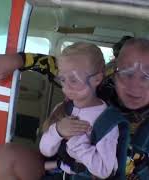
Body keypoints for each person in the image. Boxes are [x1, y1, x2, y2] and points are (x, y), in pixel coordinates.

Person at [0, 38, 149, 180]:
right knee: (5, 158)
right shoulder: (98, 85)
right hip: (67, 172)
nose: (135, 86)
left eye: (147, 76)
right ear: (111, 73)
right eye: (127, 73)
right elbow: (63, 68)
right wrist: (20, 60)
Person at [39, 42, 125, 179]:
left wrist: (75, 139)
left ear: (96, 79)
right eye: (62, 79)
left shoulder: (106, 121)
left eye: (73, 80)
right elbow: (46, 150)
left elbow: (103, 170)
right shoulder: (63, 108)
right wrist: (58, 130)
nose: (65, 87)